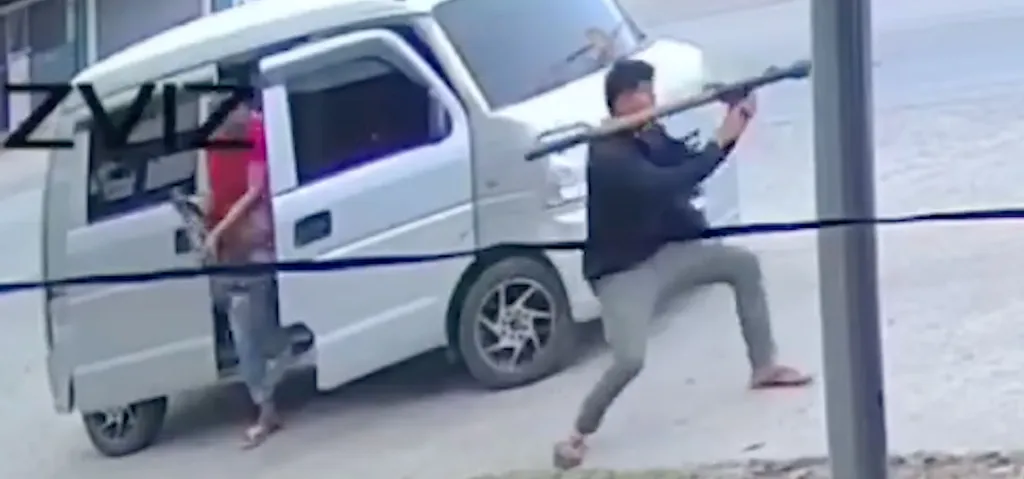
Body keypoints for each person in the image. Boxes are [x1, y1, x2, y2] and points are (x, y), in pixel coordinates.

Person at [553, 59, 812, 469]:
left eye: (652, 93)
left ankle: (764, 366)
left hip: (666, 255)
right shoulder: (608, 156)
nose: (651, 101)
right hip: (623, 275)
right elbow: (670, 183)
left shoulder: (649, 133)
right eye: (641, 94)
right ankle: (578, 433)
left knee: (741, 265)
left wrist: (736, 117)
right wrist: (723, 138)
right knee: (630, 359)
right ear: (620, 101)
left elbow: (689, 162)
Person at [204, 97, 292, 449]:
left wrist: (219, 230)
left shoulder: (256, 130)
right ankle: (267, 399)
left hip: (253, 240)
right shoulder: (217, 137)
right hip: (231, 246)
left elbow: (255, 190)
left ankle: (266, 404)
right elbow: (215, 189)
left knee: (249, 331)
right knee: (249, 329)